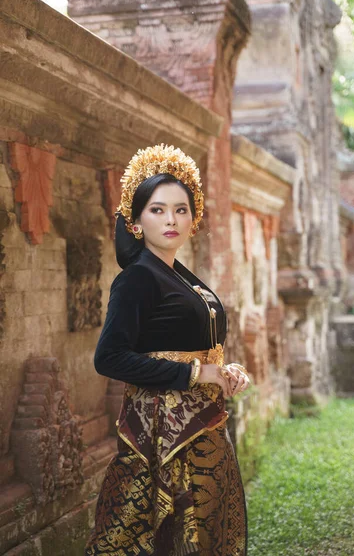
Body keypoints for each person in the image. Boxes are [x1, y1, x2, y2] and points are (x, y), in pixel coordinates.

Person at [85, 144, 250, 556]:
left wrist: (223, 369)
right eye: (157, 210)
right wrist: (197, 374)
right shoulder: (138, 278)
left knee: (203, 533)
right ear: (136, 220)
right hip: (160, 434)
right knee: (152, 535)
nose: (171, 219)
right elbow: (109, 357)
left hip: (203, 426)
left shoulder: (181, 275)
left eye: (180, 209)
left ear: (193, 218)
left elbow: (188, 346)